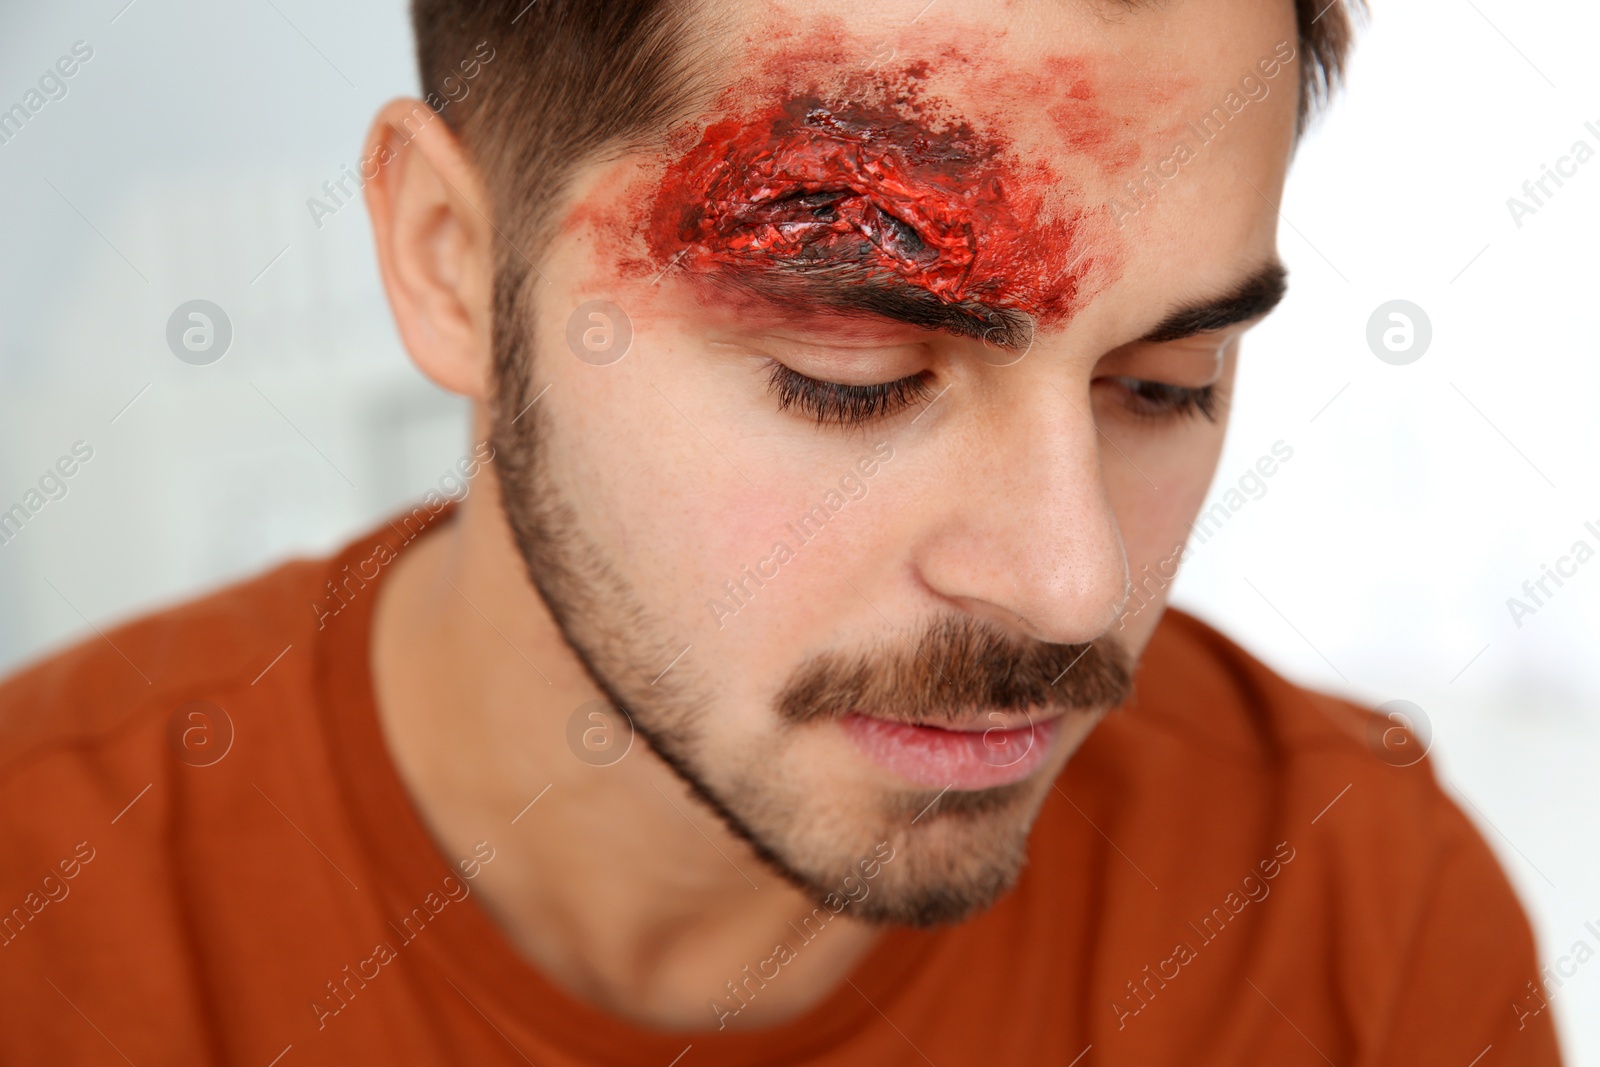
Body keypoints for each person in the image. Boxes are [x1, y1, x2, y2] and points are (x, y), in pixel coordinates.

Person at [0, 0, 1563, 1063]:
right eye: (852, 376)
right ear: (448, 258)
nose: (1070, 584)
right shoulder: (49, 925)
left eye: (1165, 384)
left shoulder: (1358, 938)